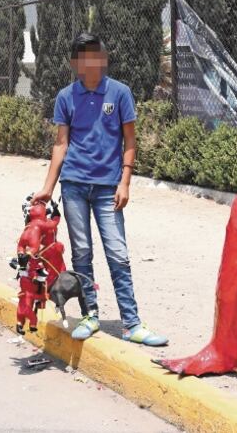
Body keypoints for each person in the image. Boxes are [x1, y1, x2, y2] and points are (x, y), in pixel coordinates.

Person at [33, 33, 166, 346]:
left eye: (96, 54)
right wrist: (48, 188)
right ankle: (90, 315)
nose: (90, 61)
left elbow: (130, 141)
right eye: (83, 56)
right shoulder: (66, 96)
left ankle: (131, 324)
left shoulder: (119, 93)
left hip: (109, 189)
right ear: (75, 63)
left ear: (103, 57)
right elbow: (60, 144)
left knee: (118, 254)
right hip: (74, 185)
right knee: (82, 253)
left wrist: (125, 181)